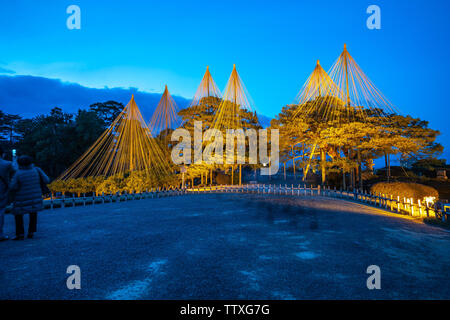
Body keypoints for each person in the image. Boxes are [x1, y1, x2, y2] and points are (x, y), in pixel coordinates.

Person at [9, 155, 49, 240]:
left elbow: (12, 187)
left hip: (21, 198)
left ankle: (20, 234)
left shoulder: (18, 173)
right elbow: (46, 180)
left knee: (18, 215)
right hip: (35, 196)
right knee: (33, 213)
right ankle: (31, 232)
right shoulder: (37, 170)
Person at [0, 146, 15, 241]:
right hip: (2, 190)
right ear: (3, 154)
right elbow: (16, 171)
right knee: (1, 211)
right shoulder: (7, 164)